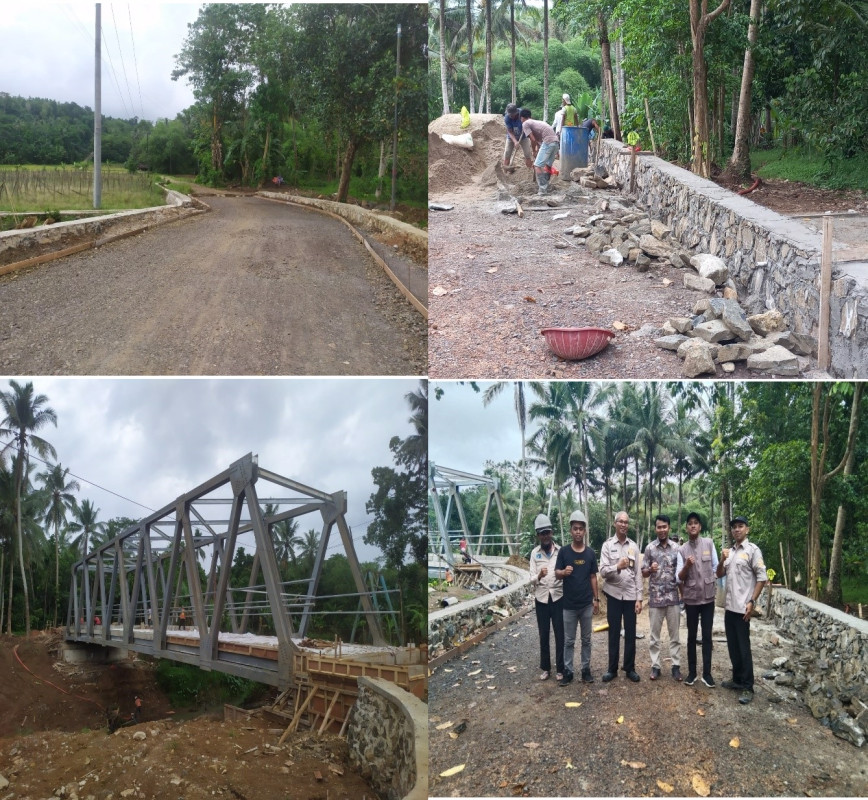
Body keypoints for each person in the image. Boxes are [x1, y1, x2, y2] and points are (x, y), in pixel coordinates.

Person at [716, 516, 767, 705]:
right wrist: (722, 559)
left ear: (747, 529)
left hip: (743, 608)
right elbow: (719, 573)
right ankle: (737, 679)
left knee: (743, 647)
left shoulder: (752, 551)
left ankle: (747, 686)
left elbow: (762, 578)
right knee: (733, 646)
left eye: (740, 526)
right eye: (734, 527)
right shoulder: (731, 553)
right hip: (730, 607)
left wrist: (752, 601)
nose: (737, 530)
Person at [554, 510, 600, 686]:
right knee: (569, 640)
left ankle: (585, 670)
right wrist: (563, 572)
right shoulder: (564, 552)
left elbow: (593, 577)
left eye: (581, 528)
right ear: (571, 531)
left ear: (585, 531)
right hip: (569, 606)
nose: (578, 532)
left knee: (586, 639)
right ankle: (568, 671)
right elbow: (557, 573)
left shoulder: (589, 553)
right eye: (575, 529)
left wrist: (596, 599)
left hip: (586, 604)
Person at [599, 511, 643, 682]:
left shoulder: (634, 546)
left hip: (631, 595)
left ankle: (630, 668)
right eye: (621, 522)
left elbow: (638, 573)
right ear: (615, 523)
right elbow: (602, 572)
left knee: (631, 633)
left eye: (626, 522)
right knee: (614, 632)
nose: (624, 525)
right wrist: (617, 566)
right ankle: (612, 669)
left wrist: (639, 599)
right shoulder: (607, 546)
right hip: (614, 595)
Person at [677, 511, 718, 687]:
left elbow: (716, 567)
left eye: (696, 523)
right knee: (691, 636)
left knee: (707, 636)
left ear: (700, 527)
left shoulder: (709, 543)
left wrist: (711, 581)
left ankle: (707, 674)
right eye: (690, 523)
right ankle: (692, 672)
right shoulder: (682, 550)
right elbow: (679, 577)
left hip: (708, 599)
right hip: (692, 599)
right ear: (686, 528)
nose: (693, 525)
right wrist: (687, 565)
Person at [642, 514, 682, 681]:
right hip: (656, 599)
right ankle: (655, 666)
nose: (662, 529)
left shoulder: (677, 548)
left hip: (673, 597)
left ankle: (676, 666)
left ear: (669, 528)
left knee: (675, 635)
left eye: (664, 526)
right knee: (654, 636)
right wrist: (650, 569)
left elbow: (681, 573)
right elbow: (643, 572)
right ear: (655, 528)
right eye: (659, 527)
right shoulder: (650, 548)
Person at [529, 513, 565, 682]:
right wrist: (539, 575)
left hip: (558, 597)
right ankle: (545, 668)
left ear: (551, 533)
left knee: (560, 633)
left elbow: (565, 572)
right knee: (544, 634)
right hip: (542, 598)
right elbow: (530, 580)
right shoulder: (534, 554)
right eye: (541, 533)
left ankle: (561, 668)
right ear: (538, 535)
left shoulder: (560, 551)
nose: (545, 536)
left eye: (547, 532)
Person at [519, 109, 560, 196]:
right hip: (556, 142)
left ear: (522, 118)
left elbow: (533, 139)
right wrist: (538, 148)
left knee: (537, 166)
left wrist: (534, 151)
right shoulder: (536, 122)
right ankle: (546, 185)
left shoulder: (525, 124)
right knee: (548, 165)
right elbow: (538, 140)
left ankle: (542, 190)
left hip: (548, 141)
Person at [502, 103, 533, 169]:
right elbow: (510, 131)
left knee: (527, 154)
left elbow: (529, 121)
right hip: (511, 137)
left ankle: (529, 171)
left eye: (513, 115)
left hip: (524, 136)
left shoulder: (522, 114)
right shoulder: (507, 118)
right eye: (510, 115)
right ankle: (505, 172)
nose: (511, 116)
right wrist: (515, 141)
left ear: (516, 112)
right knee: (507, 153)